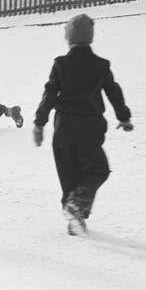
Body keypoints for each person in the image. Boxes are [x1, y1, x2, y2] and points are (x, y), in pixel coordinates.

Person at [33, 13, 133, 236]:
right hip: (90, 129)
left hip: (64, 130)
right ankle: (76, 214)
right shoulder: (100, 65)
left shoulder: (61, 64)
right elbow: (113, 92)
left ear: (69, 37)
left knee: (69, 176)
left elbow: (49, 94)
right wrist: (124, 117)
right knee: (97, 170)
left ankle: (75, 214)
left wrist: (39, 124)